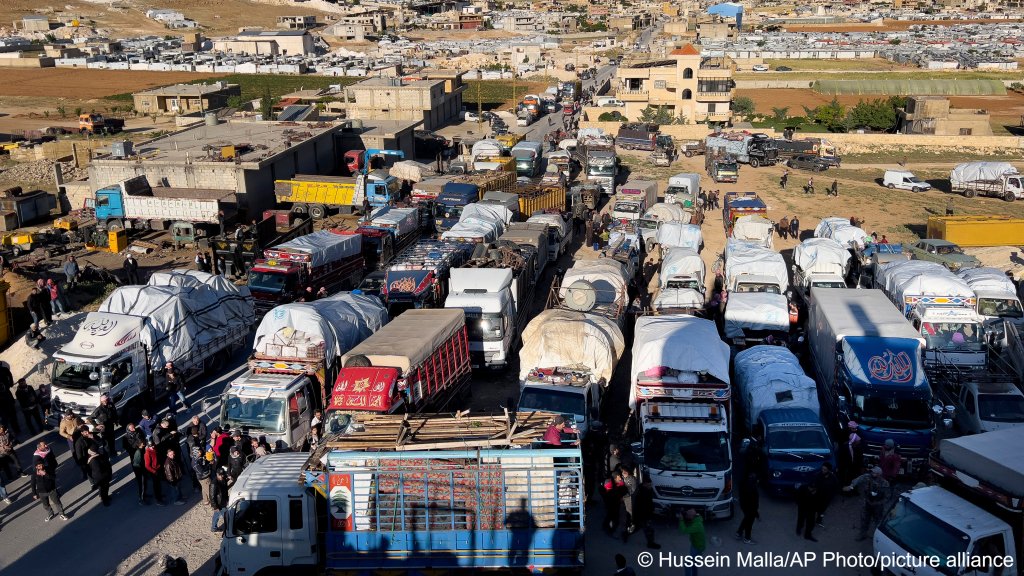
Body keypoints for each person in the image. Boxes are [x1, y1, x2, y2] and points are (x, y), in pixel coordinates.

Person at [844, 466, 891, 541]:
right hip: (867, 502)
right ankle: (862, 534)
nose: (872, 473)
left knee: (878, 521)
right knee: (864, 519)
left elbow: (887, 497)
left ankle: (877, 537)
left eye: (874, 472)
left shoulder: (885, 483)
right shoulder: (867, 477)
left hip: (878, 506)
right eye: (872, 472)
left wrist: (878, 503)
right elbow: (858, 479)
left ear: (879, 474)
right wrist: (851, 486)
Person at [678, 508, 706, 576]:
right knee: (694, 564)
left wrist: (681, 520)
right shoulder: (696, 518)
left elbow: (684, 530)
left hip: (697, 548)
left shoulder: (697, 525)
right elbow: (688, 523)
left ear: (691, 516)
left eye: (687, 515)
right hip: (695, 545)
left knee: (687, 564)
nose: (686, 516)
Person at [91, 393, 119, 457]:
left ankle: (113, 452)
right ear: (101, 401)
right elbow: (90, 418)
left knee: (112, 440)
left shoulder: (111, 405)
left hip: (111, 425)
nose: (105, 402)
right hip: (104, 428)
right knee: (106, 443)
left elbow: (114, 413)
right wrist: (96, 425)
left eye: (106, 400)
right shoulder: (98, 409)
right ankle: (106, 456)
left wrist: (116, 420)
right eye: (104, 401)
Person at [735, 471, 759, 544]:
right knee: (749, 523)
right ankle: (747, 538)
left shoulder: (743, 483)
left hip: (744, 505)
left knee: (746, 519)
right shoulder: (753, 489)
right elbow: (754, 503)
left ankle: (739, 533)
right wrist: (757, 514)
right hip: (750, 508)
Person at [814, 461, 840, 527]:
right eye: (822, 469)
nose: (823, 470)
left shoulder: (833, 478)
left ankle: (819, 520)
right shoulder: (818, 475)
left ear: (829, 470)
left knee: (822, 510)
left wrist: (832, 495)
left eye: (825, 469)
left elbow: (836, 486)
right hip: (817, 496)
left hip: (827, 498)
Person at [144, 439, 165, 506]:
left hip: (158, 469)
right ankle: (158, 500)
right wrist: (154, 471)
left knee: (158, 484)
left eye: (153, 445)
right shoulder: (147, 453)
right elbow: (147, 466)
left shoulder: (154, 449)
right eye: (151, 446)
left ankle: (160, 495)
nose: (152, 447)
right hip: (154, 471)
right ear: (148, 446)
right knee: (156, 485)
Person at [210, 468, 230, 532]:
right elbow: (212, 496)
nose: (222, 476)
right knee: (226, 515)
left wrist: (227, 499)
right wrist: (215, 506)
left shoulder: (223, 479)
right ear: (217, 474)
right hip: (219, 503)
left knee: (216, 515)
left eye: (222, 475)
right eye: (220, 475)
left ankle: (213, 528)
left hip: (223, 501)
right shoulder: (213, 484)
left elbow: (225, 490)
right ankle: (228, 527)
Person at [130, 439, 148, 504]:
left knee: (144, 484)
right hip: (140, 472)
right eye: (143, 442)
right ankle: (142, 499)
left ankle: (144, 495)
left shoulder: (141, 450)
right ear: (140, 444)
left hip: (142, 470)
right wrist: (142, 471)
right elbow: (136, 464)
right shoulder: (138, 452)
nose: (144, 443)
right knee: (142, 485)